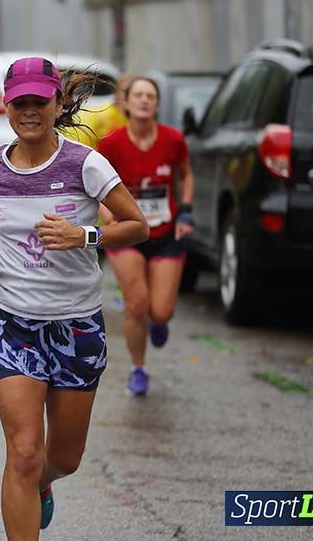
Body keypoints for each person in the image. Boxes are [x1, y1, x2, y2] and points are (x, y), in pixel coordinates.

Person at [0, 57, 148, 538]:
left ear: (58, 102)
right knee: (23, 452)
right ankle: (27, 484)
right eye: (19, 102)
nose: (29, 111)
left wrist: (84, 235)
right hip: (11, 324)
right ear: (6, 106)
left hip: (76, 327)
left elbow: (136, 226)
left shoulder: (84, 164)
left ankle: (43, 483)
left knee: (62, 457)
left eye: (39, 101)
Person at [96, 76, 195, 396]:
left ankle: (159, 321)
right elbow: (94, 183)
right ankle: (138, 369)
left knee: (160, 310)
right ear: (126, 102)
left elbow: (186, 174)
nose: (144, 100)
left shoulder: (173, 140)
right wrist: (106, 213)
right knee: (137, 304)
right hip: (127, 233)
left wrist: (186, 211)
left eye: (150, 95)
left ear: (156, 103)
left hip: (165, 232)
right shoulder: (111, 144)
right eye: (138, 94)